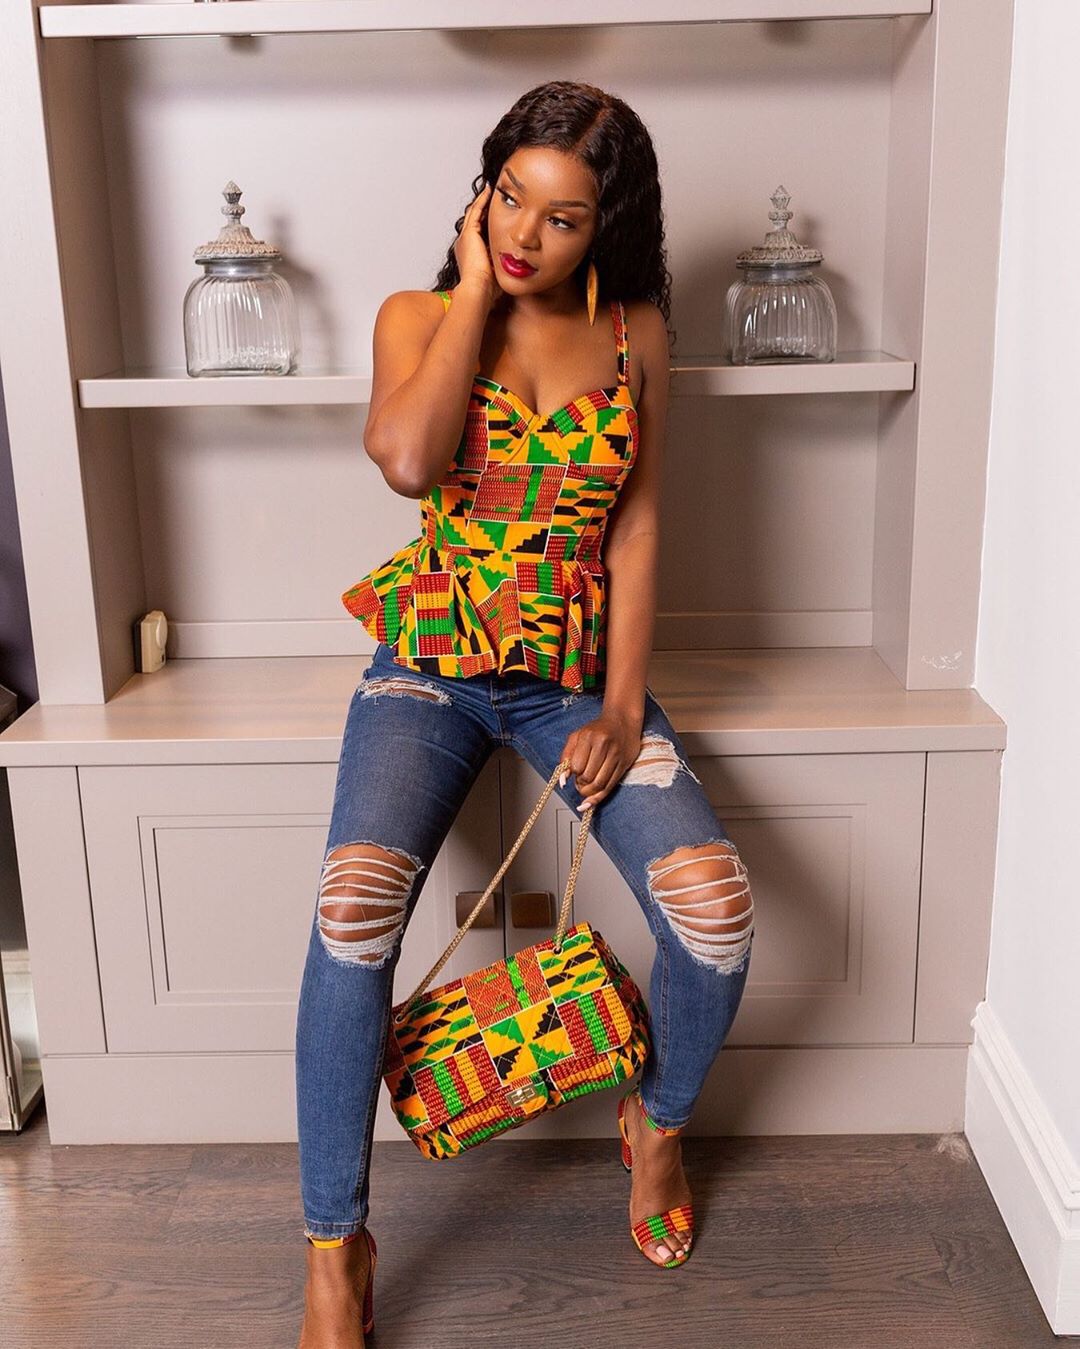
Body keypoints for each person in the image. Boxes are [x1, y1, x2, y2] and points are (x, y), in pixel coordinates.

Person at [295, 79, 755, 1349]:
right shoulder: (418, 315)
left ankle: (657, 1123)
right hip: (428, 666)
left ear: (608, 226)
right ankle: (335, 1245)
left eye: (563, 217)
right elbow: (407, 460)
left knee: (717, 910)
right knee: (351, 913)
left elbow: (639, 528)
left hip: (573, 678)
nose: (525, 234)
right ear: (482, 188)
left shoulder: (637, 334)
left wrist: (620, 704)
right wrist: (472, 295)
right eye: (510, 198)